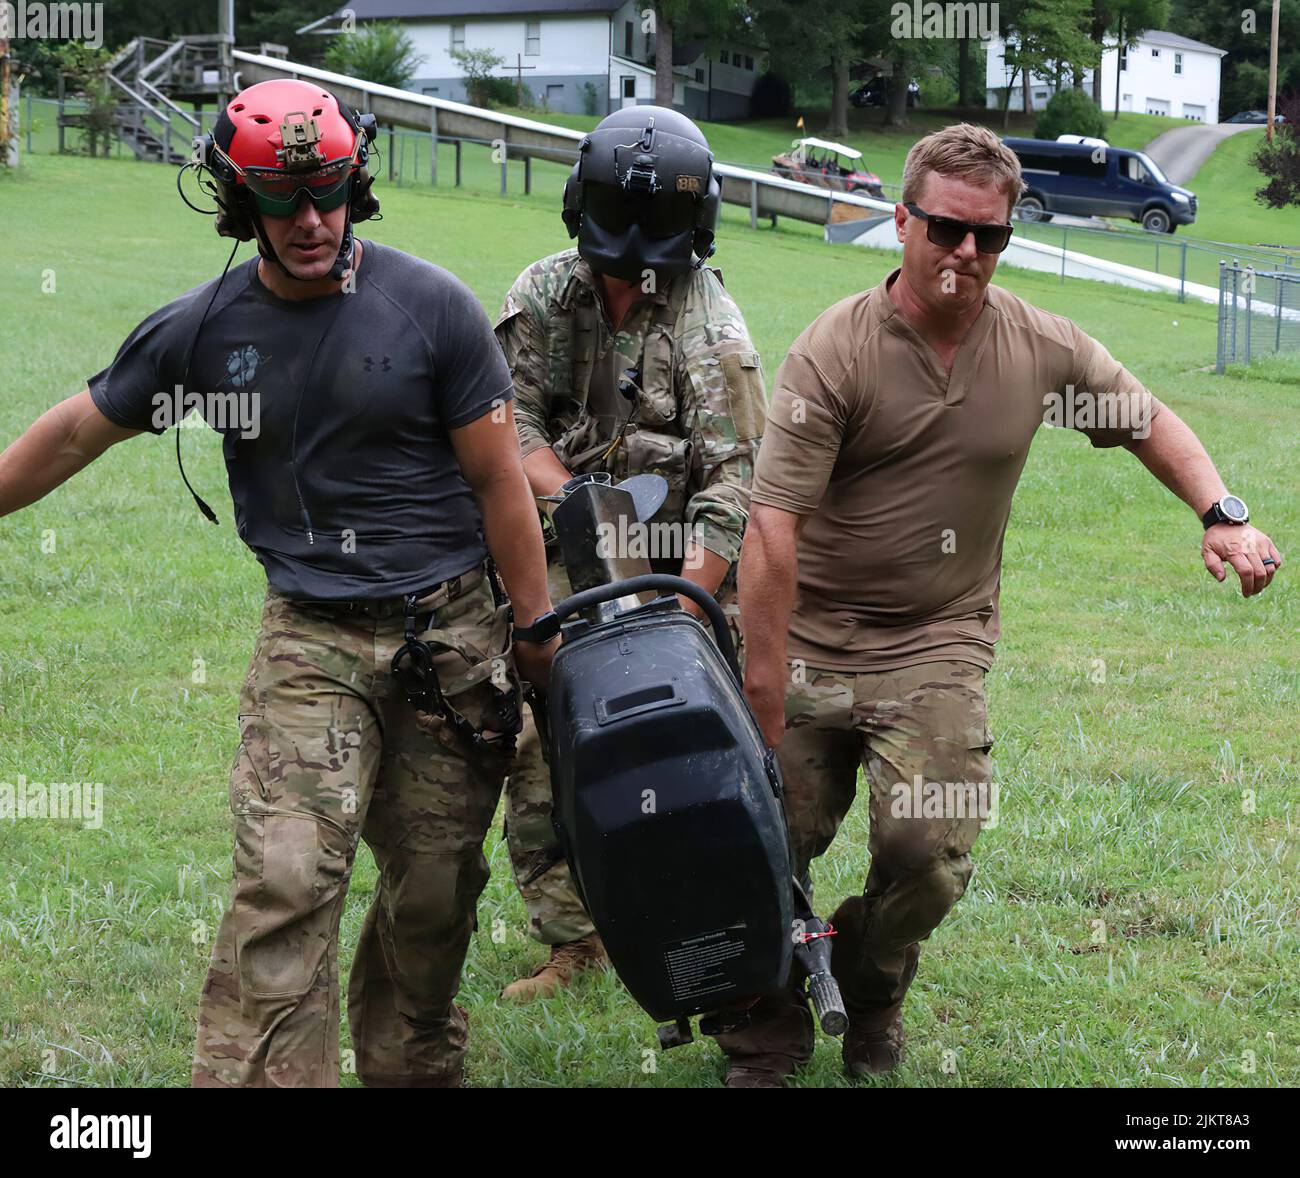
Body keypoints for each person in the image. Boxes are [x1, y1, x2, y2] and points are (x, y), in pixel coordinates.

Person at [0, 79, 558, 1087]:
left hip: (451, 634)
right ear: (234, 198)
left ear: (356, 183)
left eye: (328, 193)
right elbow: (81, 426)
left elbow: (499, 480)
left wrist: (535, 630)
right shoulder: (204, 331)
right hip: (312, 638)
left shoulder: (431, 307)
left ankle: (411, 1060)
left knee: (433, 890)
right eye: (279, 199)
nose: (309, 220)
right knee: (288, 877)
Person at [730, 122, 1282, 1088]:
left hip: (937, 641)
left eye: (991, 237)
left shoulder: (1036, 350)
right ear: (901, 222)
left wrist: (1220, 511)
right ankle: (765, 1033)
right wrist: (764, 689)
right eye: (946, 231)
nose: (967, 255)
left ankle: (868, 974)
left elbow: (1144, 418)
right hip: (812, 635)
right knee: (767, 836)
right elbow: (772, 527)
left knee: (932, 852)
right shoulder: (836, 352)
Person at [492, 106, 767, 1000]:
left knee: (682, 742)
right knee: (540, 743)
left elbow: (732, 485)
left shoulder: (711, 325)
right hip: (570, 557)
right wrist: (568, 504)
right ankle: (577, 939)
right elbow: (512, 419)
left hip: (680, 567)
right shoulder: (542, 294)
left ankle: (696, 912)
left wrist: (683, 613)